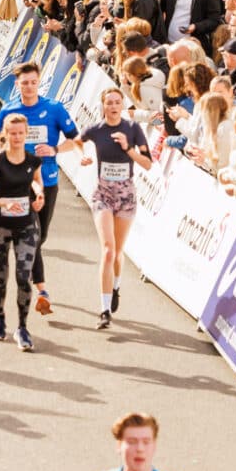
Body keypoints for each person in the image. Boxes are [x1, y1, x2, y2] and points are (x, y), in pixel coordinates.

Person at [0, 63, 80, 316]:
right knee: (30, 236)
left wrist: (55, 150)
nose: (29, 87)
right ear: (17, 85)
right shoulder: (9, 110)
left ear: (39, 82)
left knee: (39, 238)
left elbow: (76, 139)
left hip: (49, 180)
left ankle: (32, 276)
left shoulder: (53, 108)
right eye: (24, 83)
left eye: (33, 82)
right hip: (19, 184)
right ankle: (42, 291)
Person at [79, 87, 155, 329]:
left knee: (118, 252)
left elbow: (147, 164)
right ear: (103, 105)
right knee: (108, 250)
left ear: (123, 105)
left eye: (117, 102)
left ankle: (116, 286)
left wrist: (127, 149)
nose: (113, 106)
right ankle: (104, 311)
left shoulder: (132, 129)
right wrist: (84, 156)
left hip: (126, 196)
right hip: (102, 195)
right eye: (109, 102)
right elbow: (76, 142)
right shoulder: (96, 130)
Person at [0, 111, 46, 352]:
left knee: (23, 276)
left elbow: (37, 181)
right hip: (0, 226)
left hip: (26, 225)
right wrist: (4, 203)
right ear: (5, 135)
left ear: (26, 134)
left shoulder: (31, 161)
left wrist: (39, 195)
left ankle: (23, 327)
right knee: (1, 276)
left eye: (21, 133)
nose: (17, 137)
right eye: (13, 133)